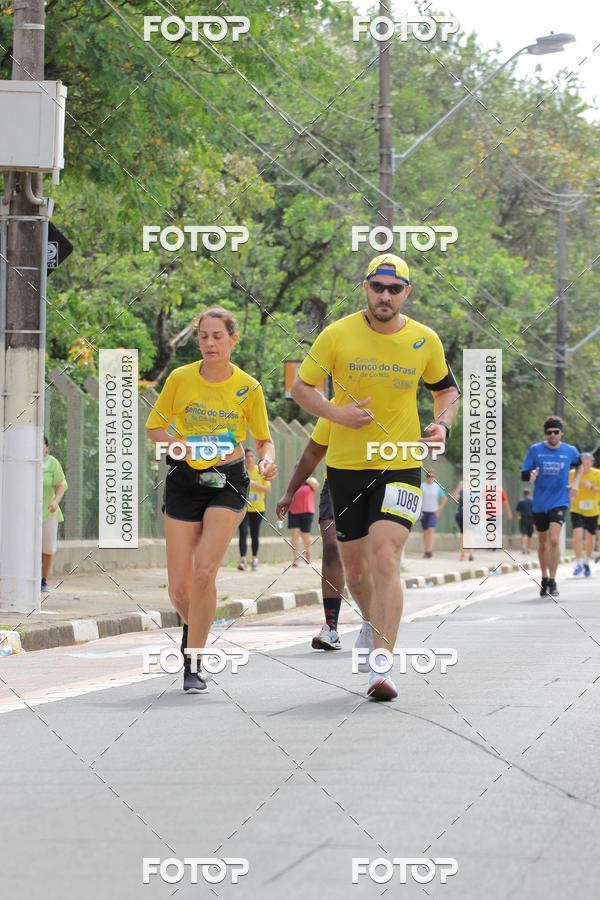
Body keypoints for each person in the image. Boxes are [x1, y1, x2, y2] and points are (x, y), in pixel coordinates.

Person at [291, 253, 460, 700]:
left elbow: (446, 391)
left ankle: (382, 666)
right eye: (377, 287)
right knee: (357, 571)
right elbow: (301, 387)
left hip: (401, 463)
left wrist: (442, 423)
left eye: (395, 288)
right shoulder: (336, 334)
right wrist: (334, 413)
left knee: (386, 557)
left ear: (407, 293)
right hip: (346, 468)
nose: (385, 296)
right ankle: (370, 623)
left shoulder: (424, 340)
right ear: (365, 287)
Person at [146, 307, 277, 693]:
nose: (209, 343)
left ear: (233, 340)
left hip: (229, 479)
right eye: (203, 336)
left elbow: (263, 439)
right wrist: (178, 444)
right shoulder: (180, 378)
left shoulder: (248, 386)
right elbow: (155, 427)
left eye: (218, 336)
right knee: (180, 589)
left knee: (205, 570)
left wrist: (266, 461)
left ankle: (195, 661)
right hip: (184, 478)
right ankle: (199, 624)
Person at [277, 420, 346, 651]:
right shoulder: (333, 409)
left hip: (375, 481)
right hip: (336, 483)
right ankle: (331, 627)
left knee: (368, 553)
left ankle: (372, 621)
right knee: (332, 546)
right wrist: (289, 492)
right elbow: (313, 451)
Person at [521, 415, 582, 598]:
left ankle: (554, 580)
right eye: (549, 432)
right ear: (545, 434)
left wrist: (576, 483)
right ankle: (544, 577)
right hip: (540, 503)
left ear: (561, 433)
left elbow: (579, 464)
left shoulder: (570, 451)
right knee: (542, 543)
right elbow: (524, 473)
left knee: (554, 539)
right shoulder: (536, 450)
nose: (553, 435)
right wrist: (530, 475)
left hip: (560, 500)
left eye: (556, 432)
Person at [42, 436, 68, 591]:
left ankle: (43, 580)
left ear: (46, 447)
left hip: (48, 511)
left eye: (42, 445)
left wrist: (55, 501)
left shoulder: (52, 463)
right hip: (26, 513)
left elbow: (61, 485)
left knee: (47, 547)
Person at [238, 448, 270, 570]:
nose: (249, 459)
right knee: (243, 533)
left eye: (251, 456)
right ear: (244, 458)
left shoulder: (260, 471)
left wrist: (253, 484)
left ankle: (255, 558)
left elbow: (267, 489)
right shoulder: (241, 471)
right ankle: (243, 560)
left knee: (254, 535)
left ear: (254, 458)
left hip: (258, 508)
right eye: (247, 456)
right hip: (243, 508)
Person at [569, 452, 600, 577]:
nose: (585, 466)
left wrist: (592, 487)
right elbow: (568, 489)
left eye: (588, 463)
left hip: (592, 511)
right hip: (577, 509)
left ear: (592, 463)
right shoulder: (572, 474)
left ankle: (587, 561)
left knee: (589, 537)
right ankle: (579, 563)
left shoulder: (597, 473)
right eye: (583, 463)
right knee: (577, 535)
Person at [287, 477, 319, 565]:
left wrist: (306, 477)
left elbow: (316, 486)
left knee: (305, 536)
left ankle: (308, 551)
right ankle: (295, 558)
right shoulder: (293, 481)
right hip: (293, 511)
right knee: (295, 534)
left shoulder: (310, 481)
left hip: (307, 511)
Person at [420, 470, 447, 558]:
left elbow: (444, 499)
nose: (430, 478)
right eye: (429, 476)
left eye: (432, 477)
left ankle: (429, 551)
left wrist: (438, 510)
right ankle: (426, 549)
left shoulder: (437, 487)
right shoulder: (422, 486)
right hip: (423, 512)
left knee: (431, 530)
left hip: (433, 512)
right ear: (426, 477)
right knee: (425, 532)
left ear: (434, 477)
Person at [452, 480, 473, 561]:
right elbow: (454, 498)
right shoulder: (461, 492)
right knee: (463, 536)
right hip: (461, 516)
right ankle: (462, 554)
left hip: (470, 516)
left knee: (470, 535)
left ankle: (471, 553)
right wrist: (458, 487)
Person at [516, 489, 534, 554]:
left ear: (524, 494)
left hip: (523, 519)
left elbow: (518, 511)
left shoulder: (521, 501)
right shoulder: (533, 501)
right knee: (530, 535)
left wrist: (519, 517)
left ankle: (523, 546)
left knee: (524, 533)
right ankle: (529, 548)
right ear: (529, 493)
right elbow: (534, 511)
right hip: (531, 519)